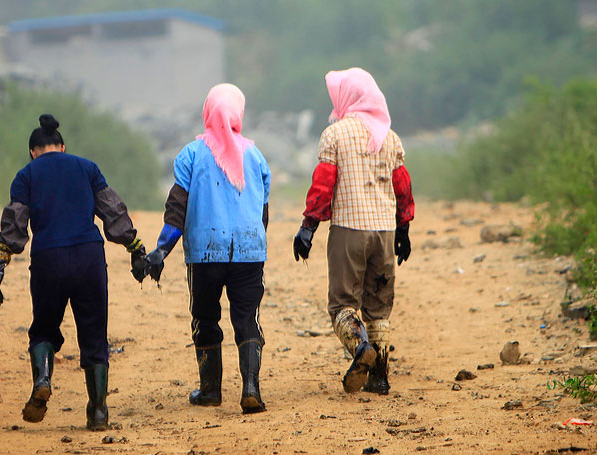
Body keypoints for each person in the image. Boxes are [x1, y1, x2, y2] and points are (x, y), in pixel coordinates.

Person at [0, 114, 147, 430]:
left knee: (44, 329)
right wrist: (136, 247)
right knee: (94, 334)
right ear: (62, 147)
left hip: (48, 259)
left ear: (33, 151)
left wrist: (0, 259)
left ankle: (43, 379)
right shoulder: (88, 168)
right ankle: (98, 412)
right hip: (89, 257)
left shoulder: (25, 176)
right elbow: (112, 211)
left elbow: (16, 222)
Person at [144, 84, 271, 414]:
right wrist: (251, 246)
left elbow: (177, 207)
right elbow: (263, 213)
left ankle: (211, 390)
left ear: (208, 112)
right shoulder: (256, 156)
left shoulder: (191, 154)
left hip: (205, 254)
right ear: (238, 113)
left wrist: (161, 250)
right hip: (249, 252)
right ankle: (251, 388)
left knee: (205, 317)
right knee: (247, 319)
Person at [292, 68, 415, 395]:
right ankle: (380, 377)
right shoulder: (390, 137)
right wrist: (403, 229)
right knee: (378, 308)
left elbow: (323, 185)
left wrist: (308, 226)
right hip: (384, 232)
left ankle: (360, 348)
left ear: (346, 97)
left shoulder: (334, 134)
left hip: (349, 230)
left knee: (342, 304)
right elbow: (402, 187)